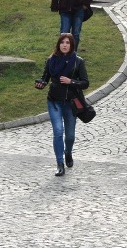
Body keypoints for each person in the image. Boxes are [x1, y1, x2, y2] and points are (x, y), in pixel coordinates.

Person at [34, 33, 89, 177]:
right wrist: (41, 83)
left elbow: (85, 83)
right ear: (58, 44)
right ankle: (59, 164)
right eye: (62, 42)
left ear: (72, 45)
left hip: (70, 103)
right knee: (58, 131)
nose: (65, 45)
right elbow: (45, 78)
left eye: (68, 43)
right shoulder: (51, 60)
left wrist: (71, 81)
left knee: (69, 136)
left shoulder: (78, 61)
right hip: (54, 101)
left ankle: (68, 152)